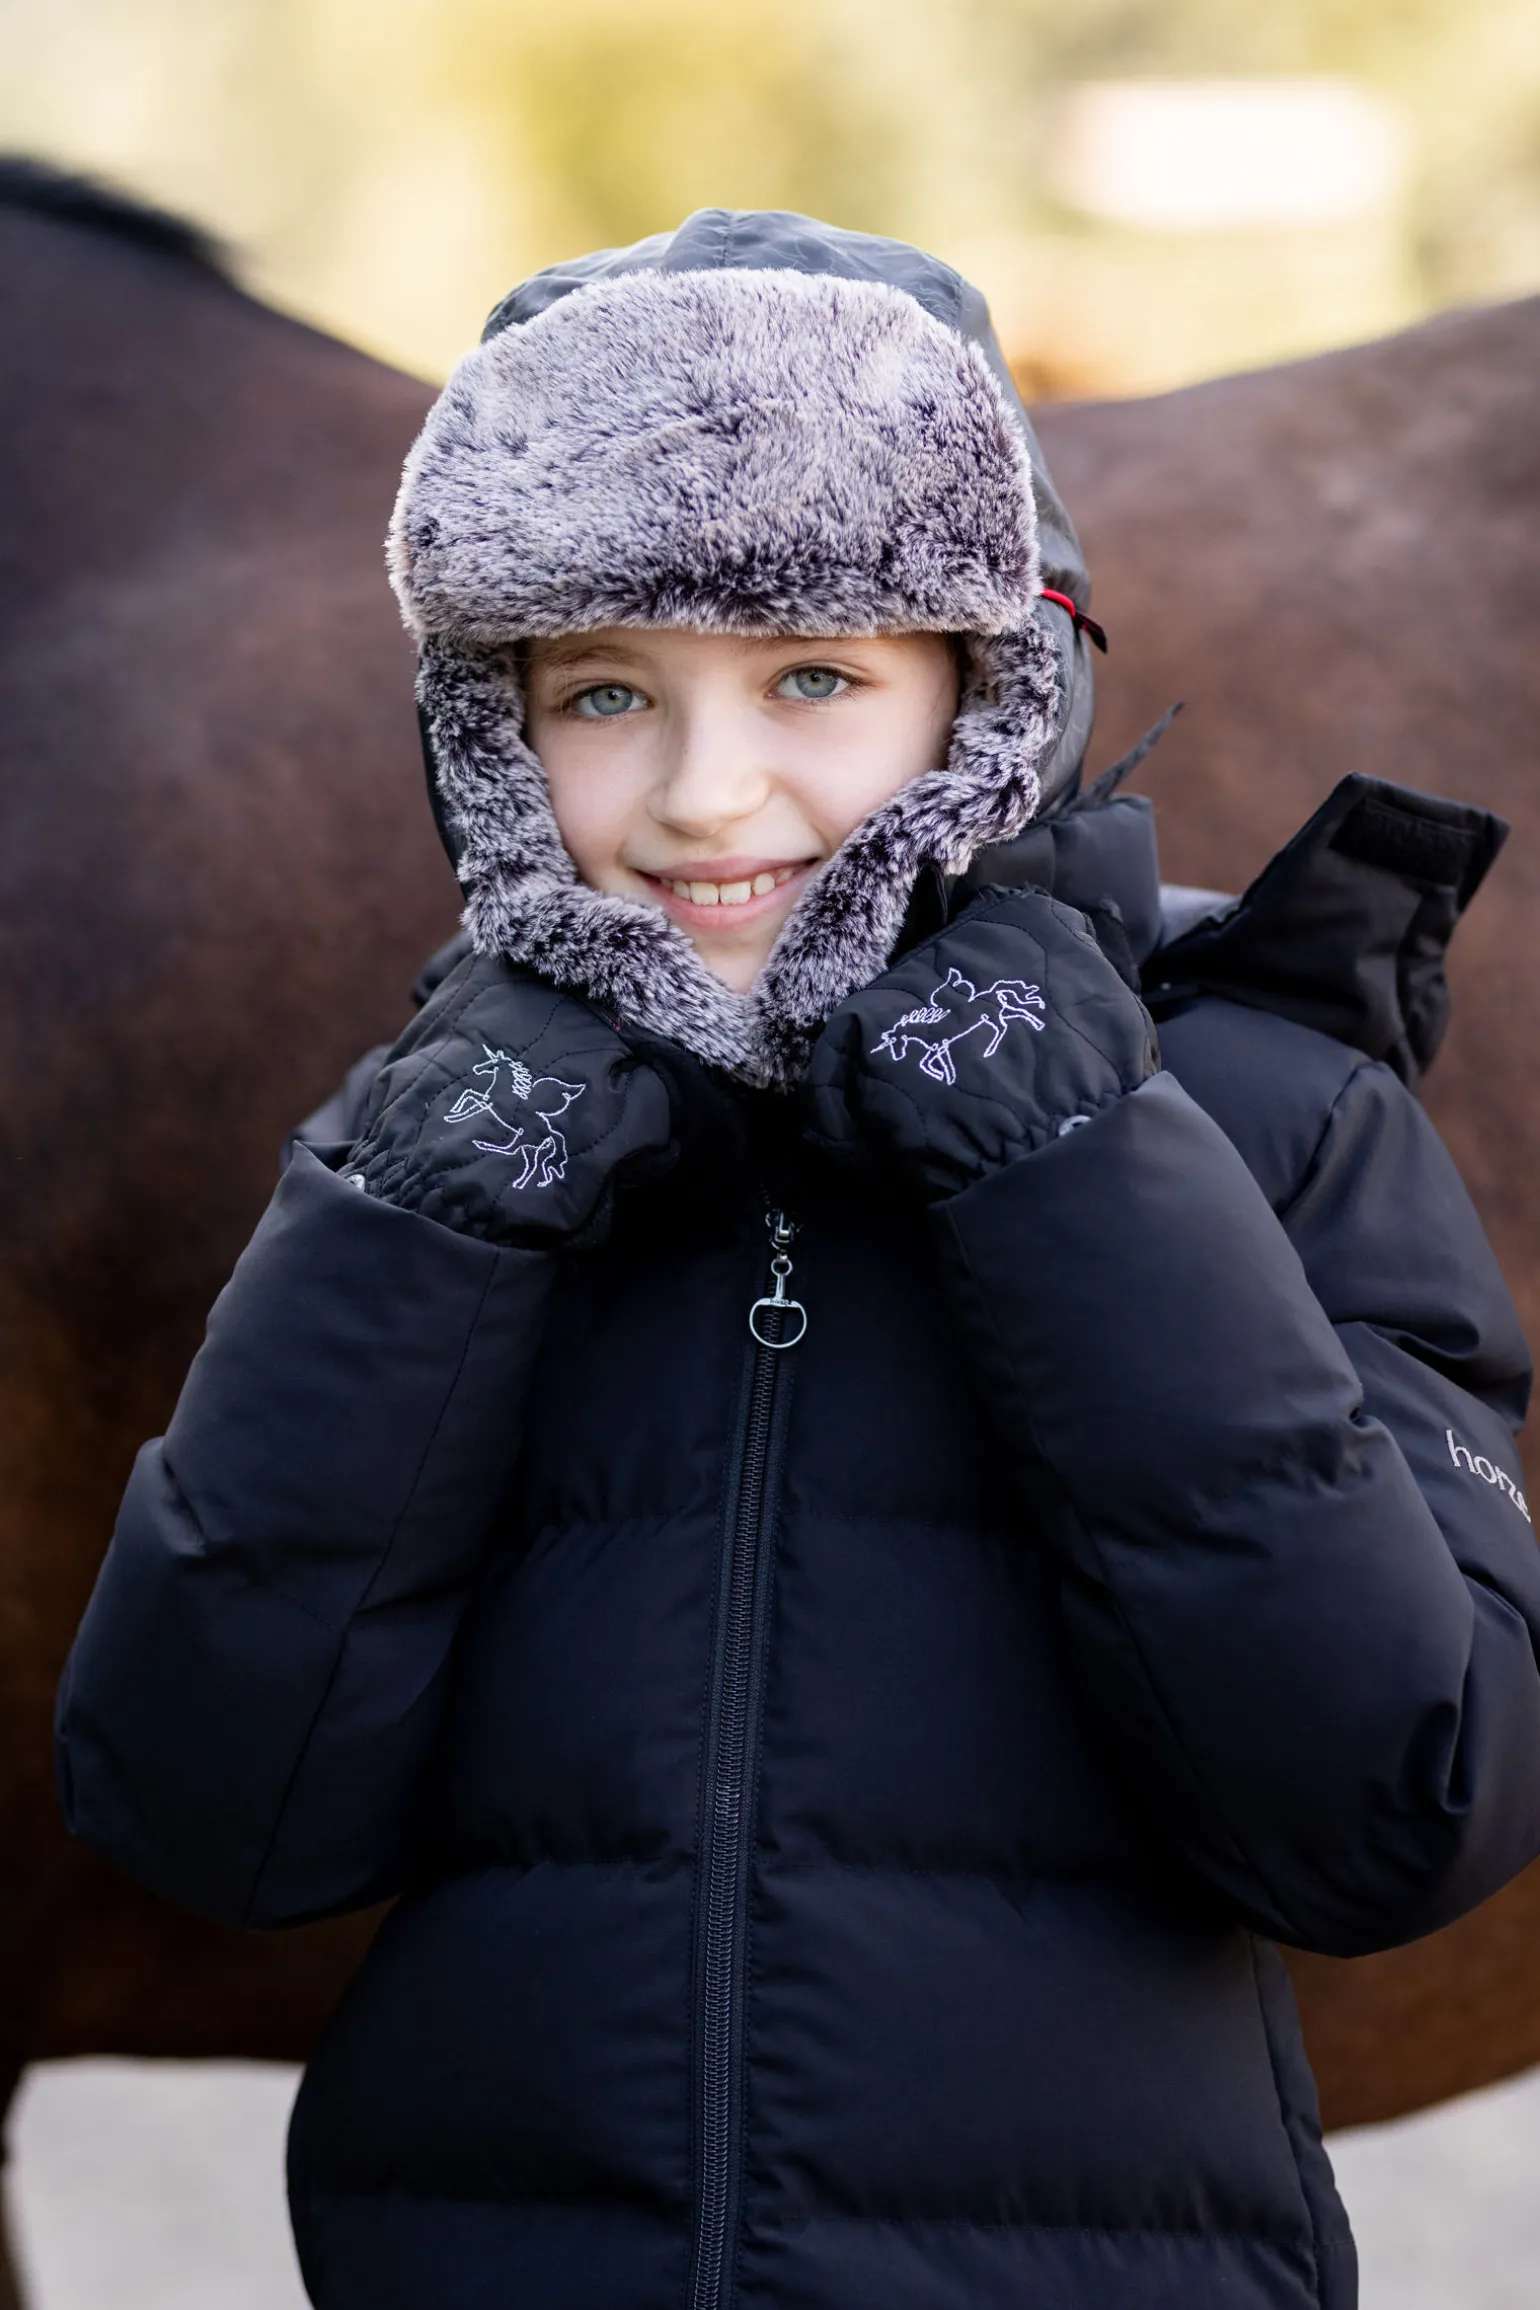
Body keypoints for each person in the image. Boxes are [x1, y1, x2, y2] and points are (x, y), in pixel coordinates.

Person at [55, 210, 1540, 2310]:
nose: (702, 793)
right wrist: (424, 1217)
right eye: (601, 692)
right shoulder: (442, 1143)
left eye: (814, 677)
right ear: (489, 732)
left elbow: (1393, 1813)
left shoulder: (1267, 1106)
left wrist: (1065, 1160)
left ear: (991, 683)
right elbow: (214, 1815)